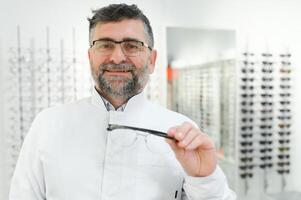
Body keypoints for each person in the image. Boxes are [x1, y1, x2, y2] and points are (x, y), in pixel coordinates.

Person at [9, 3, 236, 200]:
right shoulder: (48, 124)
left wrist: (204, 177)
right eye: (105, 45)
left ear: (152, 59)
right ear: (90, 56)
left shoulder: (181, 132)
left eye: (132, 45)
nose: (117, 57)